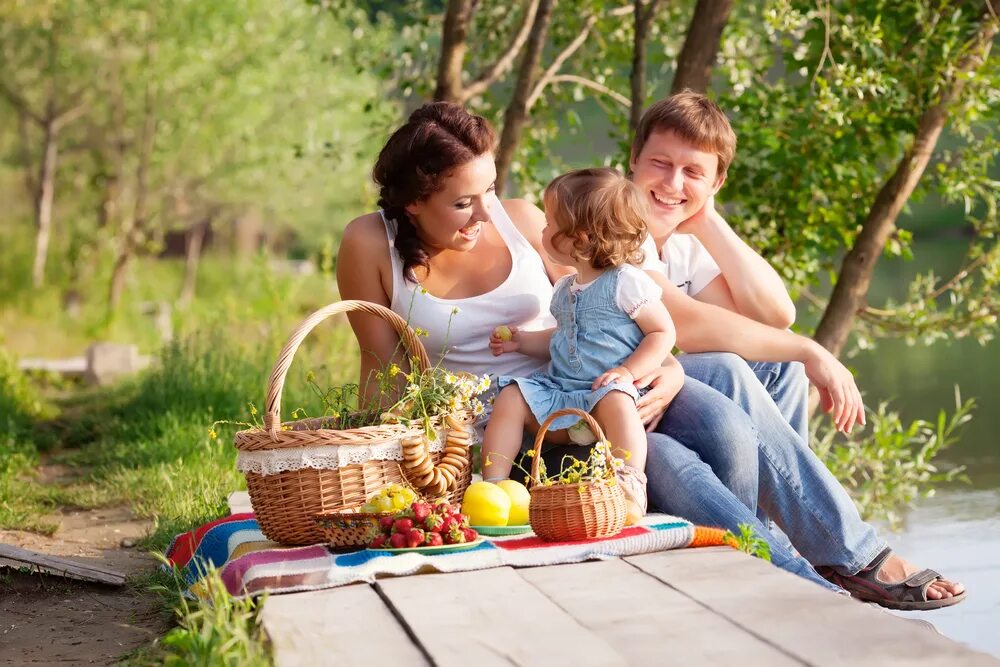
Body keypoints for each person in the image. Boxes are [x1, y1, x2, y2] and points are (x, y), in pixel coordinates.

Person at [336, 101, 964, 607]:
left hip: (590, 388)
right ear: (414, 199)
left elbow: (656, 311)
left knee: (724, 388)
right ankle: (809, 579)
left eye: (489, 189)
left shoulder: (523, 220)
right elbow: (381, 370)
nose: (483, 212)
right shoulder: (371, 243)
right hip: (522, 431)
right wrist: (398, 472)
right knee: (670, 460)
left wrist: (797, 351)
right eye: (462, 201)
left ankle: (856, 557)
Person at [628, 91, 965, 608]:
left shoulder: (682, 243)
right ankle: (853, 553)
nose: (673, 184)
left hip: (669, 403)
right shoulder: (615, 225)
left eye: (693, 172)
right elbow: (684, 322)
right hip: (623, 401)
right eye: (660, 164)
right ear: (634, 161)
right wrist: (811, 348)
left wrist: (709, 219)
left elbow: (772, 313)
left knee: (775, 363)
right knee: (726, 367)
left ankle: (794, 541)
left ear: (717, 182)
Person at [483, 168, 679, 522]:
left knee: (617, 398)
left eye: (549, 224)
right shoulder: (565, 288)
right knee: (512, 396)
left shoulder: (626, 283)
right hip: (563, 393)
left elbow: (663, 333)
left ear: (580, 239)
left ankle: (629, 483)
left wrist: (627, 371)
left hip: (603, 395)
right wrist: (522, 343)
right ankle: (492, 486)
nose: (541, 230)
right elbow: (562, 340)